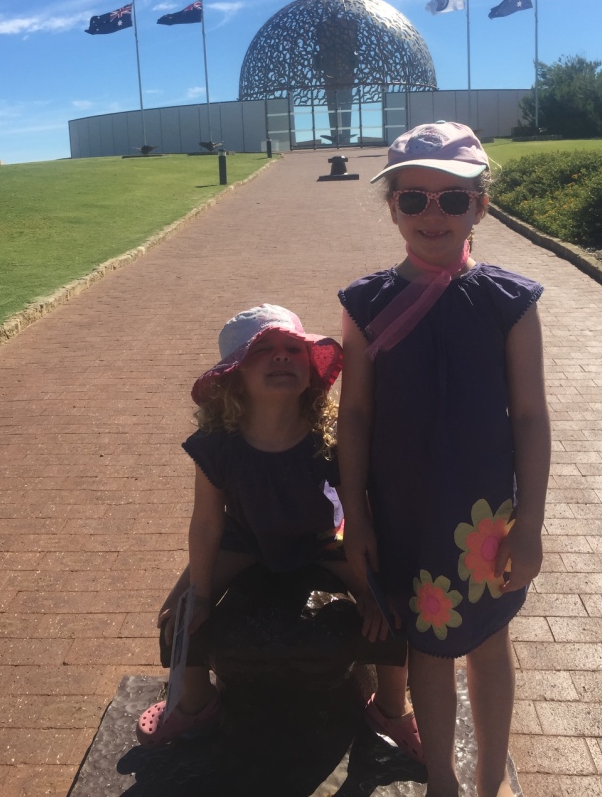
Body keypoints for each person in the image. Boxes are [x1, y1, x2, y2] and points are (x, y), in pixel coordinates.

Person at [337, 123, 551, 797]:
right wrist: (356, 517)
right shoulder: (365, 303)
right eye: (414, 199)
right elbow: (357, 415)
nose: (433, 215)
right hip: (403, 508)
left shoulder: (508, 302)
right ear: (392, 207)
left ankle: (488, 783)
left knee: (488, 643)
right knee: (425, 646)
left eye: (453, 200)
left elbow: (531, 417)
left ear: (479, 208)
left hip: (484, 513)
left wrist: (533, 525)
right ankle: (441, 781)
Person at [136, 303, 421, 762]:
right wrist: (201, 592)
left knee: (389, 610)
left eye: (292, 348)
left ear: (310, 371)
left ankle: (392, 706)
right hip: (244, 539)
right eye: (262, 350)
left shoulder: (328, 440)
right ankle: (194, 703)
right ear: (234, 376)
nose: (282, 357)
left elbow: (357, 511)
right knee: (181, 613)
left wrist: (369, 589)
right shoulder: (217, 446)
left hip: (320, 540)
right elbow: (208, 522)